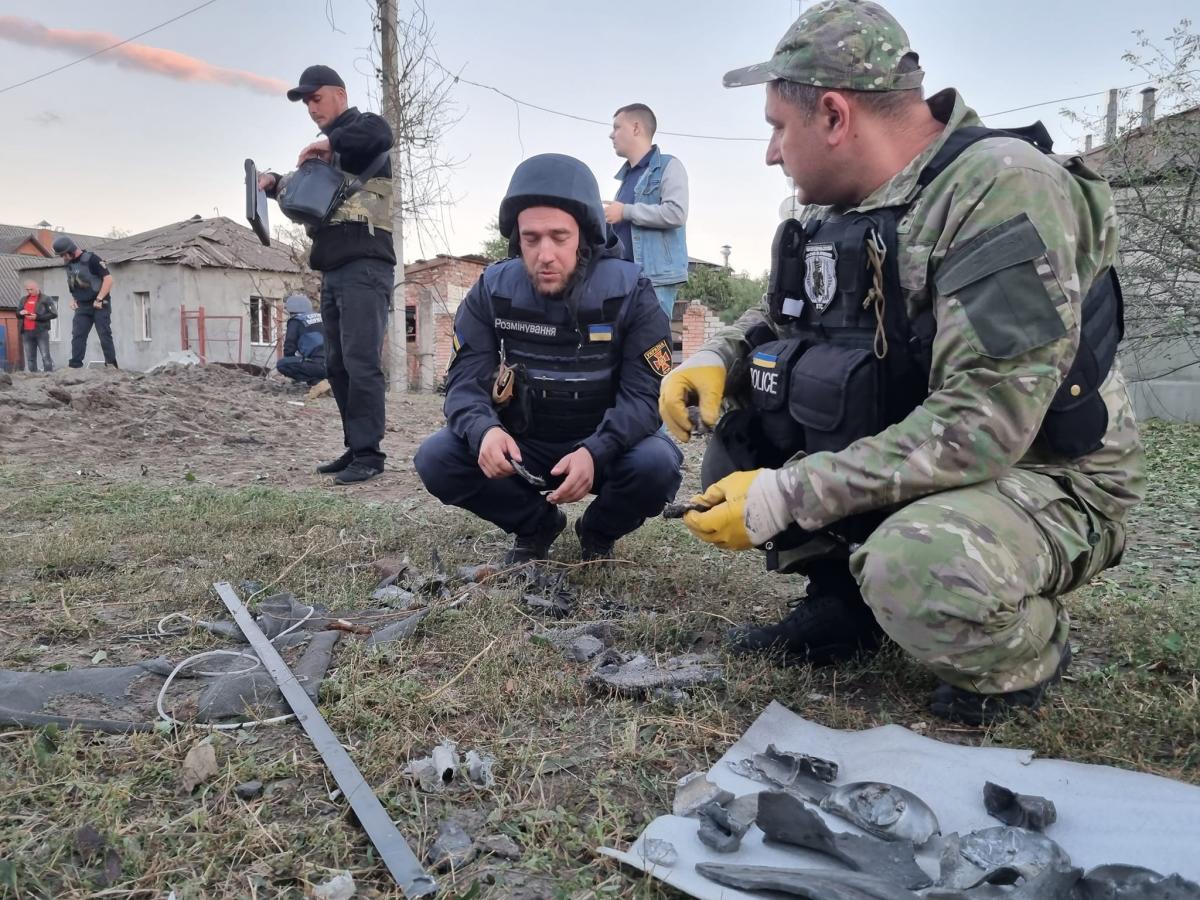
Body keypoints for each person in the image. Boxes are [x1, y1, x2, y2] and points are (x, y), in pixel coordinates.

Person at [660, 0, 1144, 725]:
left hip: (1043, 472)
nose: (770, 154)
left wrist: (787, 496)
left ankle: (1024, 651)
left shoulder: (1001, 190)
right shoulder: (831, 210)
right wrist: (714, 355)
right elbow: (776, 316)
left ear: (833, 115)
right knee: (754, 421)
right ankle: (841, 609)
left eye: (776, 129)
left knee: (914, 567)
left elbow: (987, 424)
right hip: (929, 446)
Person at [415, 153, 683, 565]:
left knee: (657, 465)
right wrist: (484, 430)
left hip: (607, 444)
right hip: (528, 442)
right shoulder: (492, 289)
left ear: (586, 234)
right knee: (437, 457)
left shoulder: (633, 292)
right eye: (531, 238)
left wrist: (596, 450)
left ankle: (597, 531)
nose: (544, 254)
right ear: (516, 237)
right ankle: (536, 524)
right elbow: (464, 382)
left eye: (559, 237)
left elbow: (647, 397)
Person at [258, 65, 395, 485]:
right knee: (336, 365)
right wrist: (275, 183)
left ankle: (370, 456)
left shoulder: (362, 128)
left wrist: (326, 142)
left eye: (316, 98)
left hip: (366, 266)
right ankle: (355, 446)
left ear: (339, 93)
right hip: (334, 269)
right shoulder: (331, 149)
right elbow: (312, 193)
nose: (312, 109)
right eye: (306, 103)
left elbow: (379, 137)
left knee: (360, 361)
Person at [604, 103, 689, 322]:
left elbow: (676, 213)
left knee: (652, 348)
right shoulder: (627, 178)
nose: (611, 135)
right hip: (624, 280)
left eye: (616, 127)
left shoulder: (669, 166)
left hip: (653, 280)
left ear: (635, 128)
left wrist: (625, 211)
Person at [53, 236, 117, 369]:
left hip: (99, 303)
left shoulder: (92, 259)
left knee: (104, 333)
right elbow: (75, 282)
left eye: (63, 254)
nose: (63, 257)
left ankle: (111, 364)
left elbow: (108, 279)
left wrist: (99, 298)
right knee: (78, 335)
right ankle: (75, 365)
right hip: (82, 305)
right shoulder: (69, 264)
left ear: (70, 250)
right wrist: (74, 299)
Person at [276, 294, 327, 387]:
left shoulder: (296, 321)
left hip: (319, 366)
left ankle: (317, 382)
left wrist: (289, 363)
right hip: (338, 366)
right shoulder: (322, 317)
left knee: (283, 364)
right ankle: (325, 382)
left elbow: (289, 347)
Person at [17, 280, 56, 372]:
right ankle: (33, 378)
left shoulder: (46, 299)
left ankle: (48, 376)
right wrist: (21, 312)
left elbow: (54, 314)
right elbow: (17, 313)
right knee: (30, 358)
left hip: (41, 332)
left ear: (37, 288)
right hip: (26, 332)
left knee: (45, 356)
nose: (29, 291)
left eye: (31, 289)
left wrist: (37, 317)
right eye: (27, 290)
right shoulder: (23, 299)